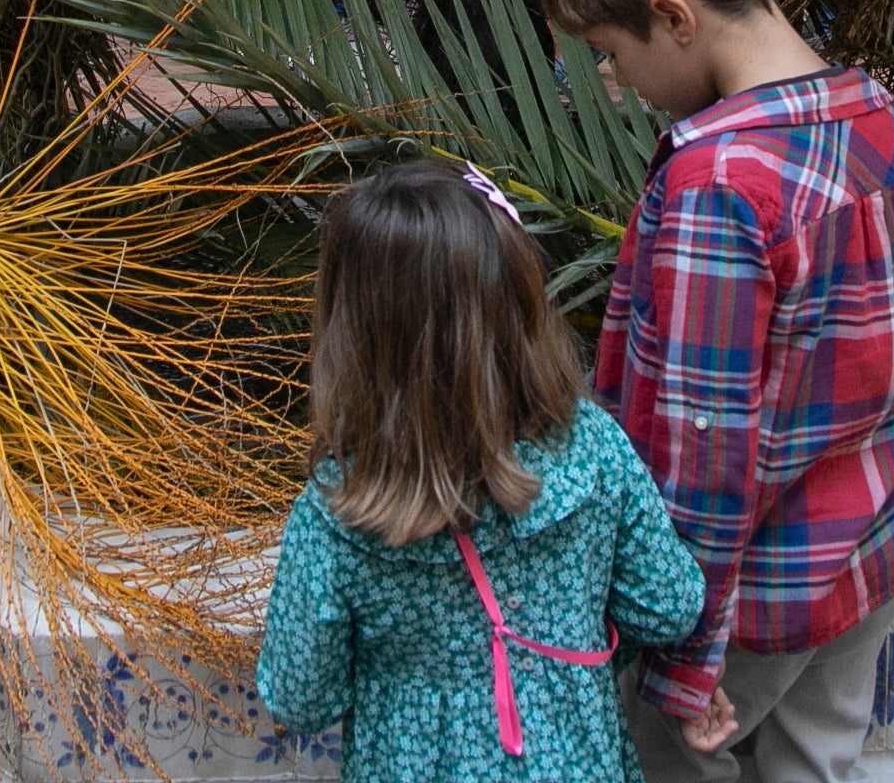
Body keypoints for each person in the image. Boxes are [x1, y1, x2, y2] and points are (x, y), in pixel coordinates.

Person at [541, 0, 894, 783]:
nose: (613, 82)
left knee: (674, 764)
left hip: (748, 599)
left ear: (673, 18)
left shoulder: (720, 183)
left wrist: (681, 653)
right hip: (867, 554)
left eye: (610, 52)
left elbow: (706, 451)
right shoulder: (882, 118)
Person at [258, 160, 710, 783]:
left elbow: (299, 697)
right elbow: (668, 605)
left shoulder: (339, 511)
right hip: (579, 760)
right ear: (521, 298)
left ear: (351, 332)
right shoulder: (593, 449)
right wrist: (567, 649)